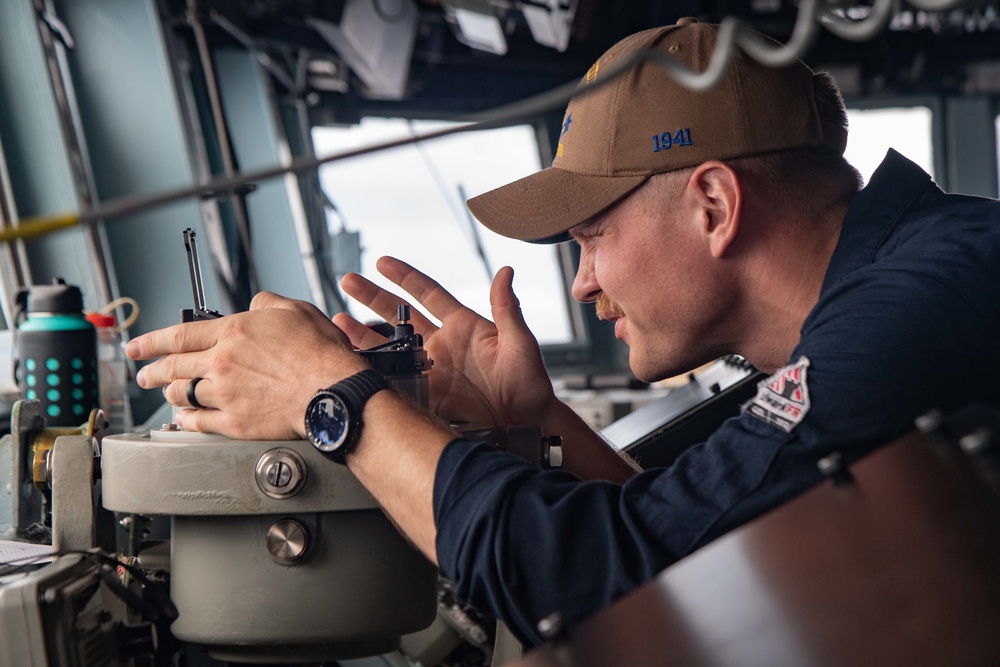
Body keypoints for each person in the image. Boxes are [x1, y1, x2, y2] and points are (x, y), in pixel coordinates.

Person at [127, 19, 1000, 647]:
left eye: (590, 238)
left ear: (713, 205)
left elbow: (592, 581)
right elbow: (704, 553)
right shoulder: (920, 276)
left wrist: (334, 399)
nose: (581, 282)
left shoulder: (918, 308)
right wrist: (538, 420)